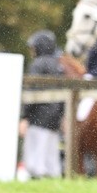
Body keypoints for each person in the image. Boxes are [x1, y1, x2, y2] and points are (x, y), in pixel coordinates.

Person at [19, 30, 66, 179]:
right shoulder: (58, 66)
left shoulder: (38, 65)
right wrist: (62, 115)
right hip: (54, 118)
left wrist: (24, 116)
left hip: (38, 117)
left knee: (35, 159)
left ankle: (36, 180)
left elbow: (31, 92)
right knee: (51, 158)